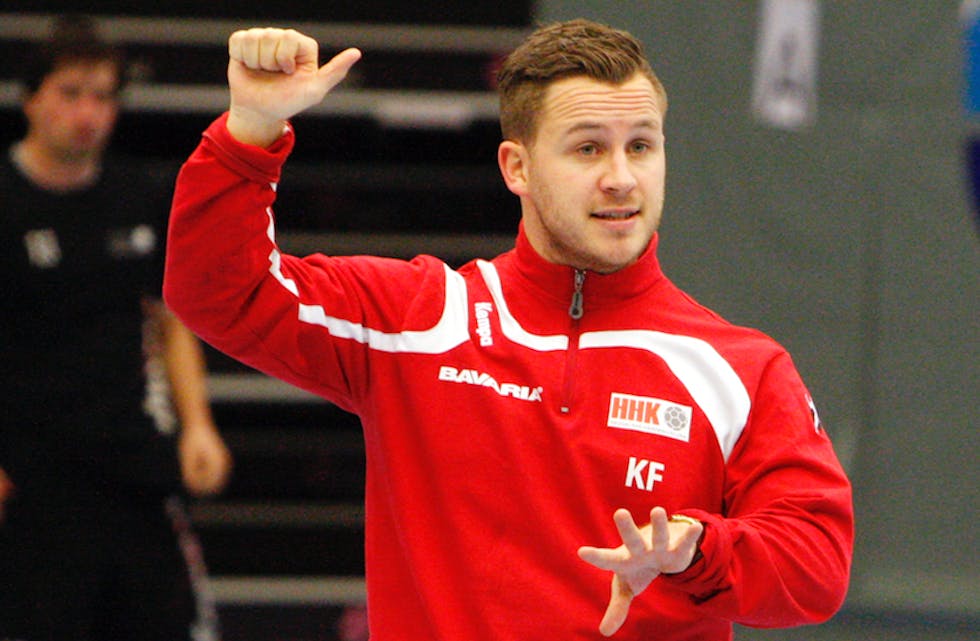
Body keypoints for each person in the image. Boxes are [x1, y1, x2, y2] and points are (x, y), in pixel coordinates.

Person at [163, 19, 854, 640]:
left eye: (641, 146)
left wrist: (695, 549)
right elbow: (218, 291)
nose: (622, 178)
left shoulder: (739, 367)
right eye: (588, 150)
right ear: (516, 167)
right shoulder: (419, 319)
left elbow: (818, 565)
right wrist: (249, 131)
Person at [0, 15, 232, 641]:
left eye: (103, 96)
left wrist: (198, 427)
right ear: (32, 98)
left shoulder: (138, 196)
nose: (88, 112)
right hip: (30, 479)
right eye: (71, 93)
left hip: (133, 464)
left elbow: (171, 318)